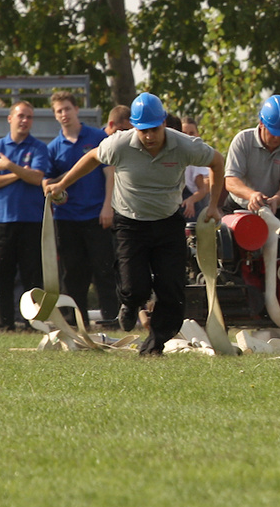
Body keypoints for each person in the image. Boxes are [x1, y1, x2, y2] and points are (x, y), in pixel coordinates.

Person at [45, 92, 224, 356]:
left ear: (163, 123)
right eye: (143, 130)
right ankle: (130, 303)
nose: (149, 136)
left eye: (154, 129)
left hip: (168, 222)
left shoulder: (184, 144)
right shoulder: (119, 144)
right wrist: (61, 184)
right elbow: (92, 158)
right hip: (131, 223)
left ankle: (154, 346)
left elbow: (217, 161)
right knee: (134, 286)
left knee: (171, 289)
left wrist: (213, 205)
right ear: (134, 127)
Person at [47, 91, 118, 328]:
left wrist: (108, 206)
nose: (64, 114)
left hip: (97, 215)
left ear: (76, 109)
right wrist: (51, 187)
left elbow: (110, 174)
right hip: (67, 218)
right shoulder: (54, 147)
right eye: (59, 111)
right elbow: (47, 182)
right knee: (73, 274)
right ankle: (76, 323)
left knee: (104, 271)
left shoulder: (98, 137)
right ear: (55, 115)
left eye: (67, 108)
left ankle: (111, 319)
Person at [224, 95, 280, 290]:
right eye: (274, 132)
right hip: (239, 208)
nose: (278, 138)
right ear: (261, 124)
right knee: (224, 250)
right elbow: (231, 181)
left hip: (275, 208)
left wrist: (275, 200)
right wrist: (251, 195)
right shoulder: (242, 141)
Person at [0, 102, 51, 331]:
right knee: (3, 274)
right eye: (21, 116)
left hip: (31, 220)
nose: (25, 120)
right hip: (3, 220)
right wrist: (19, 173)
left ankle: (32, 323)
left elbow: (37, 177)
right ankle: (5, 323)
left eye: (29, 117)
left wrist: (9, 166)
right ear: (10, 118)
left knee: (31, 275)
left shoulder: (39, 148)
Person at [180, 117, 213, 221]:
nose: (188, 137)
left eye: (191, 133)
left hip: (192, 204)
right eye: (184, 133)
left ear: (197, 135)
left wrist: (191, 200)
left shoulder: (196, 158)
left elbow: (202, 189)